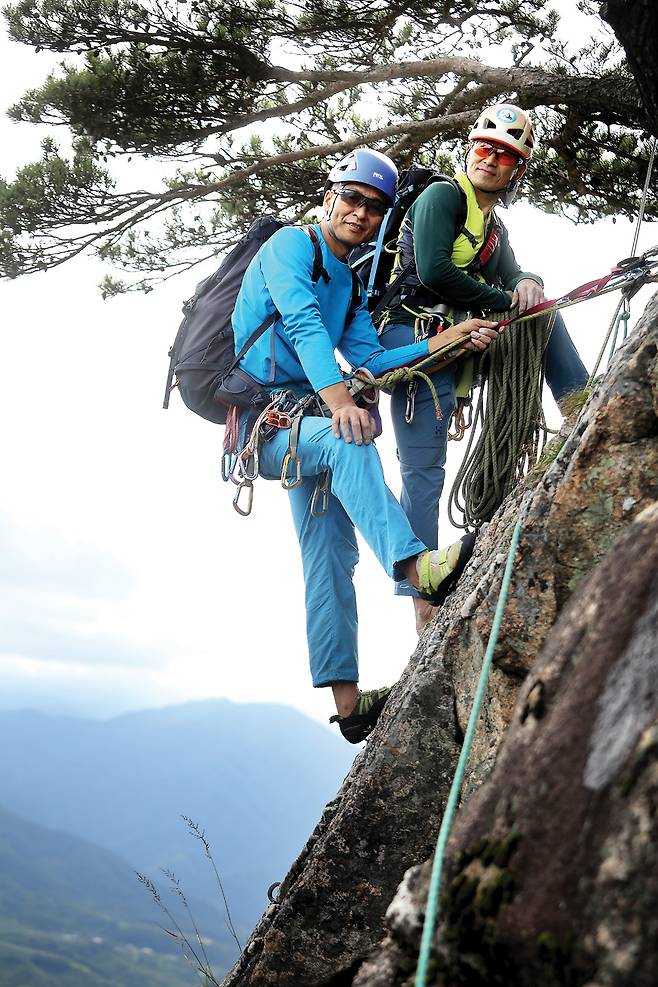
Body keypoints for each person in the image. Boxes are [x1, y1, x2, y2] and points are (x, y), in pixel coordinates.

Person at [231, 148, 501, 743]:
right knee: (350, 438)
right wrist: (339, 403)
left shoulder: (347, 281)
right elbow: (301, 324)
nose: (361, 213)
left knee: (328, 557)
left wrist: (447, 340)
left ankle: (349, 707)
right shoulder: (289, 248)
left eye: (375, 208)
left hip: (303, 426)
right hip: (267, 427)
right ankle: (414, 565)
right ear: (330, 194)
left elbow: (373, 359)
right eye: (353, 198)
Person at [378, 104, 589, 633]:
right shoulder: (442, 196)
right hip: (412, 339)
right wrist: (501, 299)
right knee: (422, 469)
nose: (490, 160)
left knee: (543, 317)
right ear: (469, 150)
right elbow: (434, 270)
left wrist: (528, 285)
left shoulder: (493, 225)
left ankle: (580, 407)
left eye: (504, 156)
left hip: (462, 337)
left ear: (516, 170)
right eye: (484, 149)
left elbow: (516, 275)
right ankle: (420, 599)